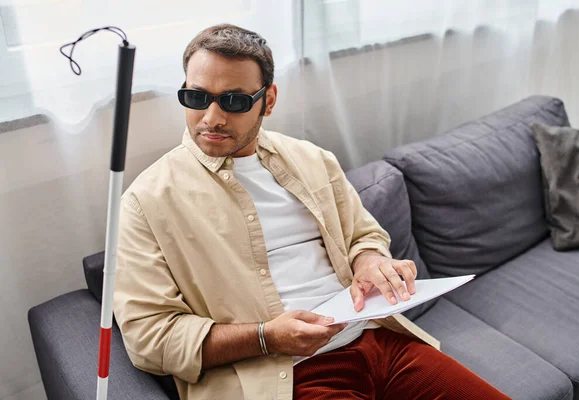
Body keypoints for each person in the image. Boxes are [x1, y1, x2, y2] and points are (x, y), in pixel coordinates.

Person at [113, 24, 509, 400]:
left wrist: (369, 259)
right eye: (197, 98)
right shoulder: (145, 203)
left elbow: (364, 236)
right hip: (284, 375)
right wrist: (266, 337)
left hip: (379, 342)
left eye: (234, 101)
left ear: (267, 100)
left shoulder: (312, 160)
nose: (212, 118)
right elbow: (150, 339)